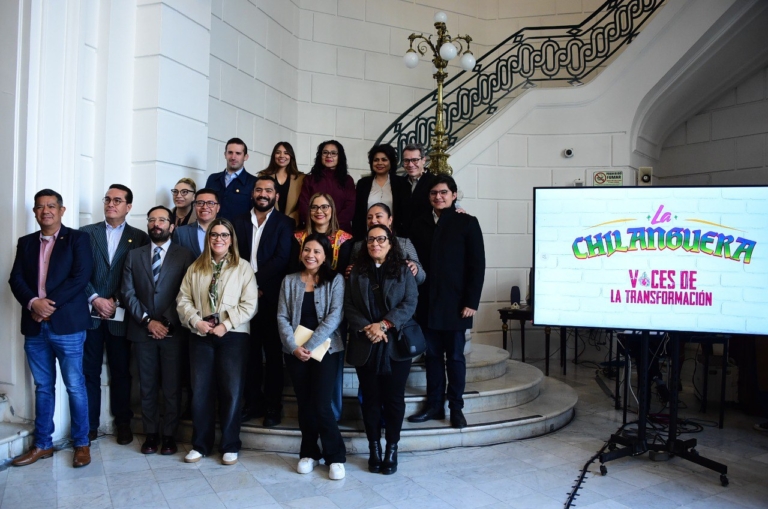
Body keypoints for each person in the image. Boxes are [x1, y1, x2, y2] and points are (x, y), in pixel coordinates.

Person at [8, 189, 94, 468]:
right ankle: (43, 444)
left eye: (51, 206)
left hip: (67, 327)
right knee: (43, 387)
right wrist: (34, 303)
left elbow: (80, 277)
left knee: (75, 386)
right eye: (40, 206)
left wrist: (48, 305)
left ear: (61, 210)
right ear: (35, 212)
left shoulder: (78, 239)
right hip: (35, 328)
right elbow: (15, 279)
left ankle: (82, 443)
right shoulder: (26, 242)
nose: (45, 211)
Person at [177, 218, 258, 465]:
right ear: (208, 238)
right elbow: (183, 300)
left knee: (231, 391)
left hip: (233, 335)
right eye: (214, 235)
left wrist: (226, 324)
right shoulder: (196, 267)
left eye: (224, 235)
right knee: (200, 390)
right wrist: (195, 321)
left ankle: (230, 445)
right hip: (201, 335)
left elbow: (250, 304)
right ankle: (200, 445)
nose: (218, 239)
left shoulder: (243, 267)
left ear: (231, 239)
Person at [408, 175, 485, 429]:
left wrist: (471, 301)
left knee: (454, 358)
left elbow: (477, 265)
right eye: (434, 193)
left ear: (453, 195)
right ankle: (434, 406)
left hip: (456, 305)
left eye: (443, 192)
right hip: (427, 303)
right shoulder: (418, 224)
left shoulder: (467, 222)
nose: (438, 197)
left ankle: (456, 407)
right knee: (432, 357)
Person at [121, 206, 195, 455]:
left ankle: (170, 435)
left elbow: (187, 292)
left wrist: (166, 321)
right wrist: (147, 321)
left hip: (173, 331)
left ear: (172, 226)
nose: (156, 224)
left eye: (162, 220)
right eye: (152, 219)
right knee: (147, 386)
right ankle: (151, 434)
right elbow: (128, 292)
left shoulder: (185, 255)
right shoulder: (134, 255)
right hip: (142, 331)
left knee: (172, 387)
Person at [345, 225, 418, 475]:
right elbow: (348, 305)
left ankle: (392, 448)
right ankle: (374, 447)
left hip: (396, 345)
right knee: (371, 400)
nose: (375, 243)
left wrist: (384, 325)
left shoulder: (403, 270)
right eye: (371, 240)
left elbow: (410, 302)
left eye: (381, 239)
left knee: (394, 400)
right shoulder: (357, 271)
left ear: (390, 242)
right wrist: (369, 328)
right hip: (366, 343)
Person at [80, 184, 149, 445]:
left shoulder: (139, 237)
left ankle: (123, 423)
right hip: (90, 316)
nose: (111, 204)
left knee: (122, 372)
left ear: (128, 207)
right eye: (107, 199)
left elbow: (140, 277)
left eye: (117, 200)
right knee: (89, 373)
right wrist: (95, 298)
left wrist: (116, 299)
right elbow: (78, 271)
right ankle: (89, 426)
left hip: (122, 317)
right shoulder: (86, 233)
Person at [277, 233, 346, 480]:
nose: (311, 255)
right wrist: (294, 346)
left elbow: (335, 316)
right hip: (295, 351)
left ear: (326, 256)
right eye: (307, 250)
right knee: (304, 403)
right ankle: (308, 453)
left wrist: (310, 344)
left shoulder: (335, 280)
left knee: (322, 404)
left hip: (326, 349)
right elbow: (282, 316)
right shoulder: (289, 280)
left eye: (317, 251)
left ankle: (335, 456)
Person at [233, 176, 295, 426]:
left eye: (268, 190)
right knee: (249, 354)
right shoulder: (237, 221)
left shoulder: (285, 223)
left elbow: (282, 258)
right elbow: (233, 256)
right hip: (241, 298)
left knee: (272, 354)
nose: (263, 194)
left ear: (276, 196)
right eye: (258, 189)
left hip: (270, 297)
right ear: (252, 193)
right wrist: (247, 287)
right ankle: (253, 402)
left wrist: (255, 284)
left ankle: (273, 406)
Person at [292, 193, 353, 421]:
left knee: (330, 369)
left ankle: (331, 415)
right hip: (304, 308)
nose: (320, 211)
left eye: (325, 207)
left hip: (333, 308)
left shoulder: (345, 239)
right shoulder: (298, 237)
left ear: (332, 210)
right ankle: (310, 417)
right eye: (315, 207)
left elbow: (346, 273)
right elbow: (293, 271)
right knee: (304, 368)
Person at [348, 203, 425, 286]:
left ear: (390, 220)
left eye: (378, 216)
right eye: (369, 217)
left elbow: (421, 278)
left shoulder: (404, 243)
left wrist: (416, 270)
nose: (373, 220)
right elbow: (350, 278)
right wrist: (349, 272)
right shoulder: (358, 246)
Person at [352, 144, 408, 240]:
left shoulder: (401, 183)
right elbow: (358, 214)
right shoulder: (363, 184)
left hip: (393, 237)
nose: (380, 163)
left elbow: (404, 214)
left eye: (384, 159)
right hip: (367, 237)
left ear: (391, 162)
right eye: (376, 160)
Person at [297, 140, 356, 232]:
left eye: (333, 153)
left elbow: (349, 208)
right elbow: (304, 206)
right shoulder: (310, 179)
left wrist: (332, 227)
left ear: (340, 156)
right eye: (325, 152)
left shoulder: (347, 180)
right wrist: (319, 227)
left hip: (340, 231)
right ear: (320, 155)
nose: (329, 156)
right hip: (314, 231)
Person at [205, 137, 258, 221]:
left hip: (238, 229)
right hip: (213, 228)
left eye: (238, 153)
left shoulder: (254, 182)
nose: (233, 157)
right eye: (230, 152)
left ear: (245, 157)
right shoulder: (213, 179)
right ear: (225, 154)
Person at [258, 141, 305, 226]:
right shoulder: (263, 175)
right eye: (278, 152)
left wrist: (290, 219)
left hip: (292, 224)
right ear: (273, 155)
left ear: (291, 156)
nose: (282, 156)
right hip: (268, 223)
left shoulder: (300, 178)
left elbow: (303, 204)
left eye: (286, 153)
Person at [394, 143, 435, 238]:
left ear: (423, 160)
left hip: (427, 238)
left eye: (415, 160)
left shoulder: (434, 182)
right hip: (404, 238)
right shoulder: (401, 184)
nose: (410, 164)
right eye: (406, 160)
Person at [173, 188, 221, 258]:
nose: (205, 207)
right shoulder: (181, 233)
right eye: (200, 203)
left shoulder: (228, 231)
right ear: (194, 206)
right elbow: (176, 260)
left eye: (210, 203)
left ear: (218, 208)